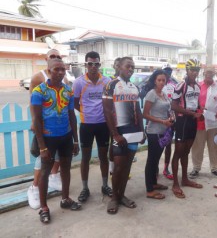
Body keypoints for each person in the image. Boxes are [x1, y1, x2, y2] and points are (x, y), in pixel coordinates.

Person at [31, 58, 81, 224]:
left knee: (66, 169)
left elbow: (72, 115)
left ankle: (65, 199)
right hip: (48, 138)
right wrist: (42, 147)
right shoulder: (39, 91)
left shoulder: (68, 90)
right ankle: (44, 208)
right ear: (49, 70)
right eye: (56, 69)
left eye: (63, 69)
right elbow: (37, 120)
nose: (60, 72)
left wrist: (75, 140)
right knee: (45, 172)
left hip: (66, 137)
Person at [102, 56, 145, 214]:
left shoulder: (134, 87)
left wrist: (142, 131)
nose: (131, 69)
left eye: (133, 67)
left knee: (127, 166)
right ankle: (114, 198)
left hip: (133, 131)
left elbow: (138, 111)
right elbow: (106, 111)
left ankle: (122, 195)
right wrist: (115, 135)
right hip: (119, 132)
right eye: (128, 66)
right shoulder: (111, 85)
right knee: (119, 167)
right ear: (119, 66)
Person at [27, 49, 68, 209]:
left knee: (59, 154)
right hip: (45, 126)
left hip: (61, 126)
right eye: (52, 56)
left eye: (58, 56)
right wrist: (33, 120)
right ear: (46, 59)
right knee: (43, 157)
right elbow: (32, 101)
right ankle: (34, 187)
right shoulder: (39, 77)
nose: (56, 59)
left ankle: (54, 175)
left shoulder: (62, 75)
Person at [73, 51, 112, 203]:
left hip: (103, 124)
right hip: (86, 125)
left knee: (103, 157)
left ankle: (104, 185)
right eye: (90, 64)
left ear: (99, 65)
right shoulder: (78, 82)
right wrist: (86, 112)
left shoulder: (107, 81)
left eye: (96, 64)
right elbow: (75, 102)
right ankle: (85, 188)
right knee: (86, 158)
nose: (93, 67)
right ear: (86, 65)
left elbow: (109, 102)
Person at [171, 59, 203, 199]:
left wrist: (199, 113)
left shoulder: (197, 86)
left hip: (192, 121)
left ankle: (185, 179)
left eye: (196, 70)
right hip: (182, 121)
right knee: (178, 152)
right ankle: (175, 183)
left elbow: (195, 104)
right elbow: (174, 106)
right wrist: (192, 113)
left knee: (186, 151)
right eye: (192, 70)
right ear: (187, 70)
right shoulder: (180, 86)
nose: (194, 72)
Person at [143, 69, 174, 200]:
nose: (162, 82)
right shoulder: (152, 94)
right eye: (159, 80)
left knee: (156, 160)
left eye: (163, 80)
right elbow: (145, 114)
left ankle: (154, 183)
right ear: (154, 81)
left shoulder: (163, 94)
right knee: (151, 160)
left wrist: (170, 116)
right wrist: (162, 121)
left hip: (163, 131)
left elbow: (167, 109)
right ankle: (149, 190)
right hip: (154, 132)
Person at [189, 66, 217, 180]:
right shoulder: (197, 86)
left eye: (212, 73)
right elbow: (192, 102)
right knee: (197, 146)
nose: (209, 74)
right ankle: (196, 168)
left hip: (214, 122)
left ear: (214, 74)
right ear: (204, 73)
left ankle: (214, 168)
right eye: (207, 72)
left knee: (214, 146)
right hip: (199, 121)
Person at [161, 64, 177, 180]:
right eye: (166, 71)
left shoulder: (174, 85)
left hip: (171, 119)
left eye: (169, 71)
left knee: (168, 144)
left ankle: (166, 168)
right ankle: (154, 168)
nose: (168, 73)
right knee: (157, 145)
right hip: (159, 119)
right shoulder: (157, 85)